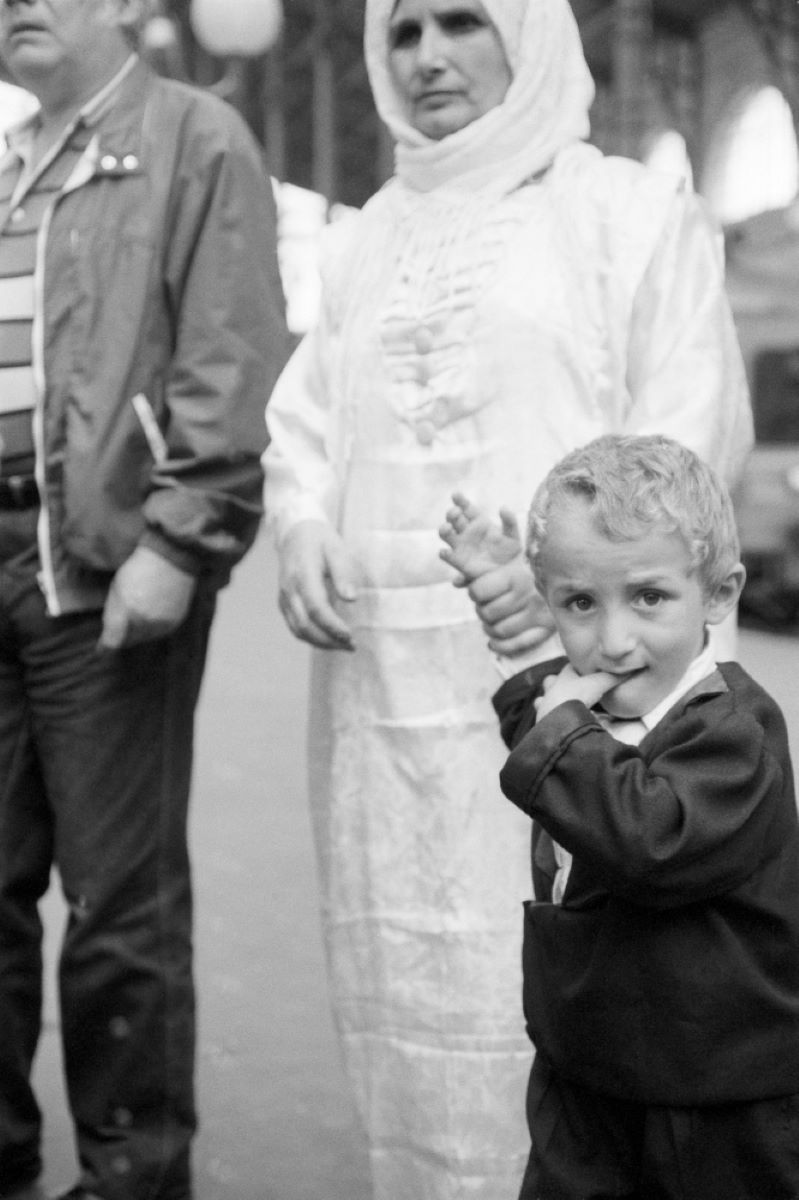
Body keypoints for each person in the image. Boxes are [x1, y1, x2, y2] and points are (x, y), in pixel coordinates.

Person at [262, 0, 753, 1195]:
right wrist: (304, 524)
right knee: (409, 982)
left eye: (463, 23)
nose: (427, 56)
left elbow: (691, 428)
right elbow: (306, 423)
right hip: (386, 704)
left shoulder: (621, 213)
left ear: (532, 36)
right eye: (404, 32)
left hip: (587, 686)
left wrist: (599, 609)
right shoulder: (370, 234)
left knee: (583, 977)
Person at [0, 2, 288, 1198]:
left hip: (105, 561)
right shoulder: (14, 158)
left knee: (119, 899)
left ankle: (134, 1176)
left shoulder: (194, 136)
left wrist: (182, 535)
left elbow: (228, 349)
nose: (16, 3)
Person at [442, 433, 799, 1200]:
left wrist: (559, 730)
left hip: (712, 1090)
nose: (612, 640)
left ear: (718, 593)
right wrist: (496, 599)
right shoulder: (591, 711)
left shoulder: (733, 731)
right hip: (589, 1062)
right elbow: (544, 726)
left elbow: (651, 841)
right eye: (578, 602)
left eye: (648, 597)